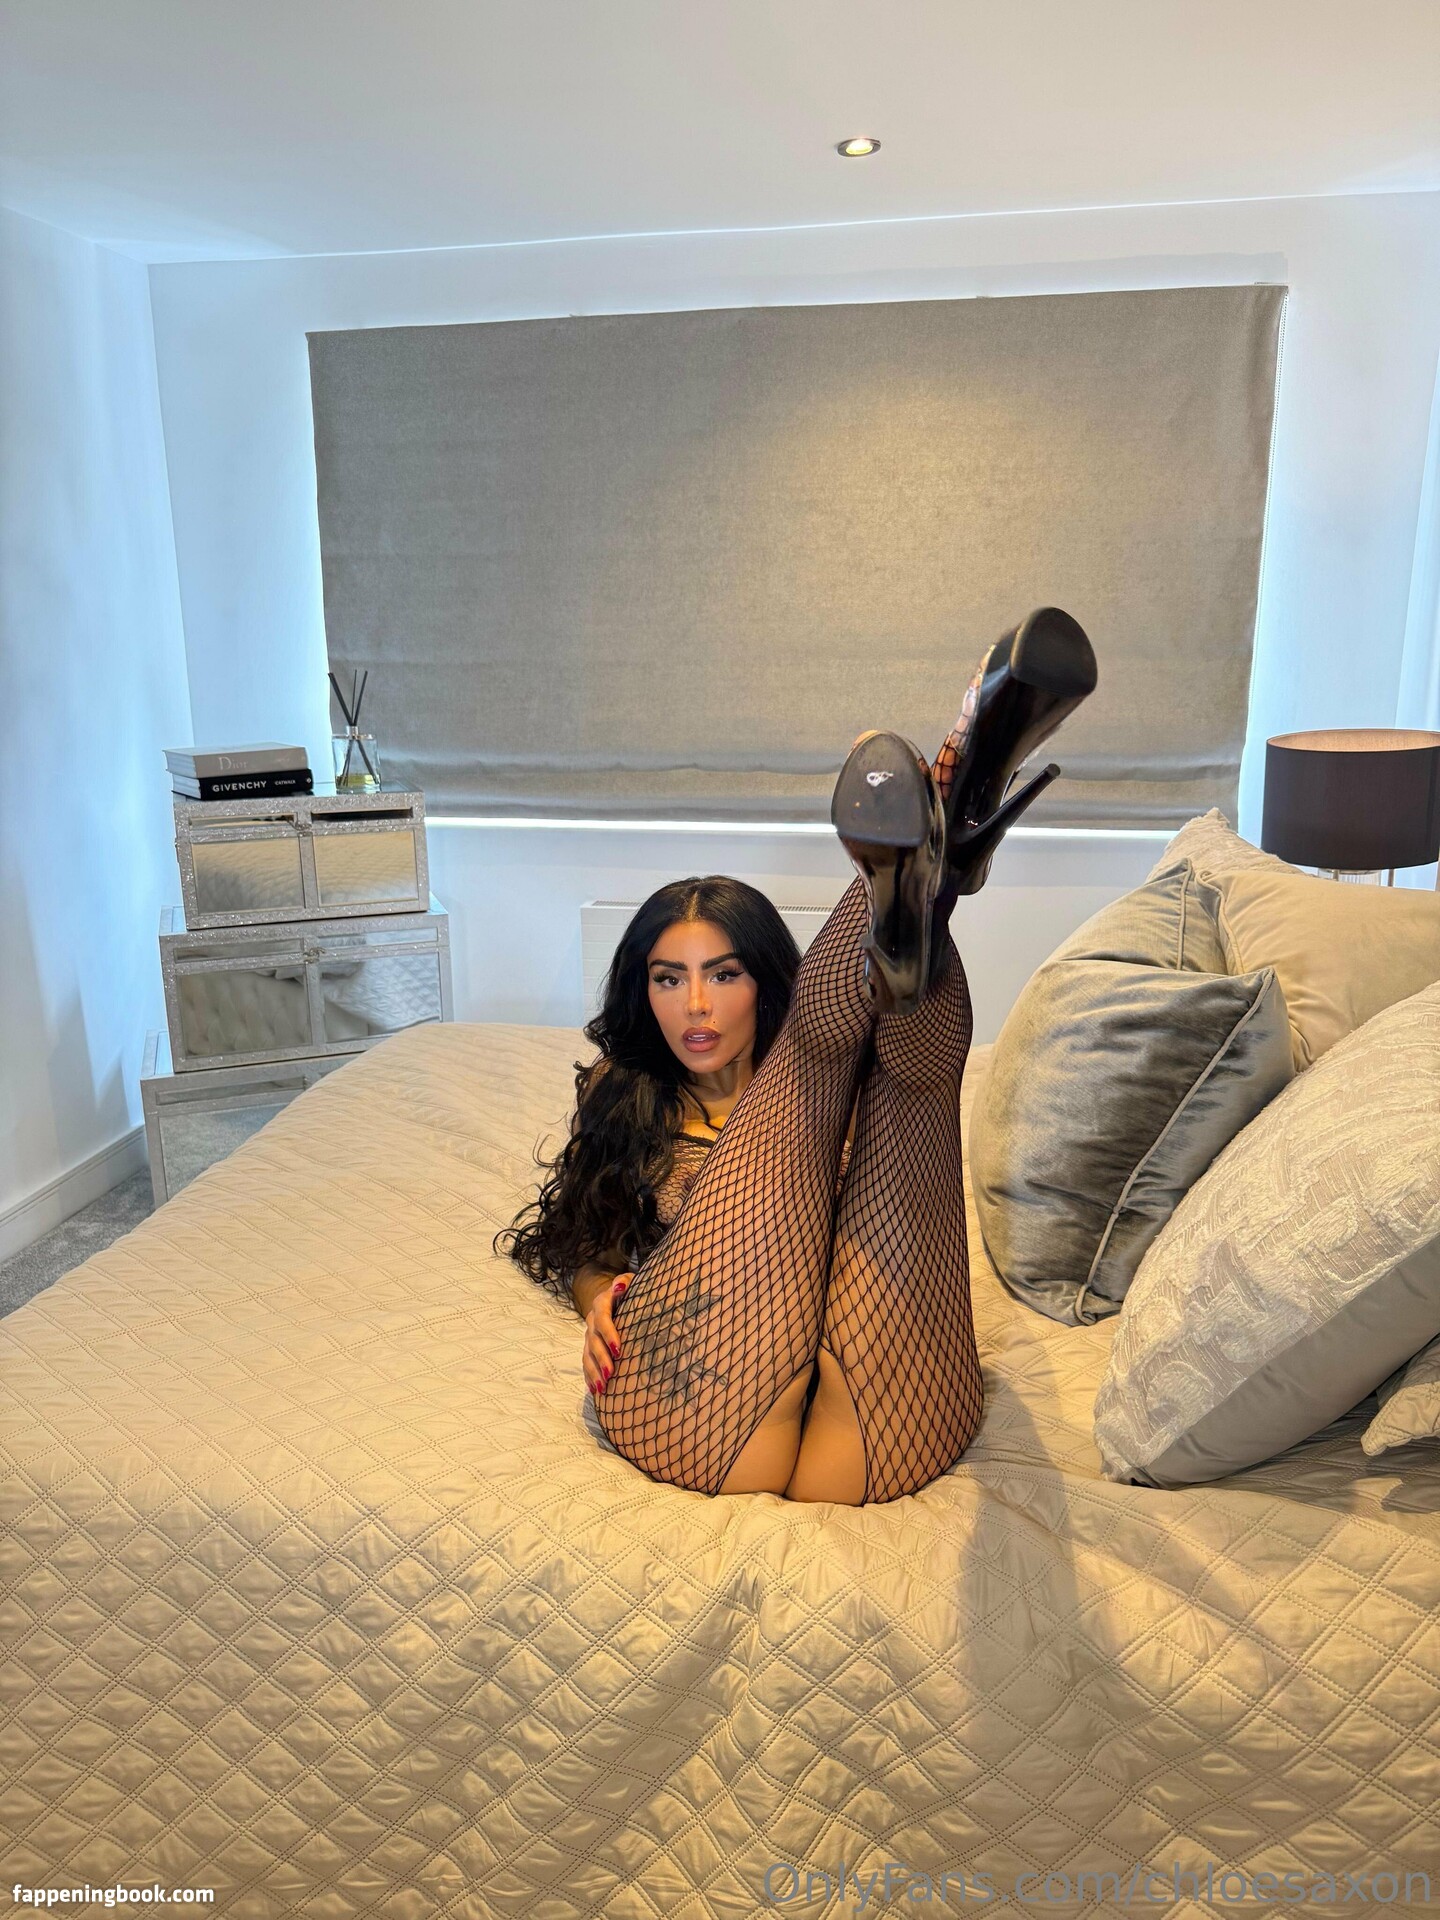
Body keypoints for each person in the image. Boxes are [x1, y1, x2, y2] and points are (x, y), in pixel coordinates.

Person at [498, 607, 1097, 1504]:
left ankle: (920, 885)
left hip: (877, 1387)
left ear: (766, 977)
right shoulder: (623, 1092)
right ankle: (944, 839)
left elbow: (906, 1102)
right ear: (640, 989)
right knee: (822, 1064)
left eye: (723, 973)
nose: (696, 1006)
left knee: (904, 1081)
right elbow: (581, 1239)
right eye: (667, 978)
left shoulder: (833, 1044)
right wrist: (601, 1302)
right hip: (708, 1398)